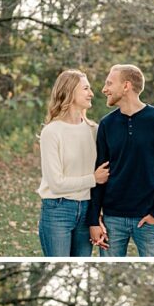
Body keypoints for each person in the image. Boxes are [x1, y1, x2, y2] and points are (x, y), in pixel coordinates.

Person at [87, 64, 154, 257]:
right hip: (112, 220)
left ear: (126, 86)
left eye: (109, 83)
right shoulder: (106, 124)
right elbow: (100, 175)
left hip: (148, 220)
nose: (104, 89)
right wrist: (94, 220)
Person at [37, 70, 111, 256]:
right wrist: (93, 179)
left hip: (87, 210)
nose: (91, 93)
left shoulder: (94, 130)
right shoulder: (52, 132)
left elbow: (104, 178)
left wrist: (96, 216)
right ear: (70, 92)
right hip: (57, 210)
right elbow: (56, 183)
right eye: (86, 88)